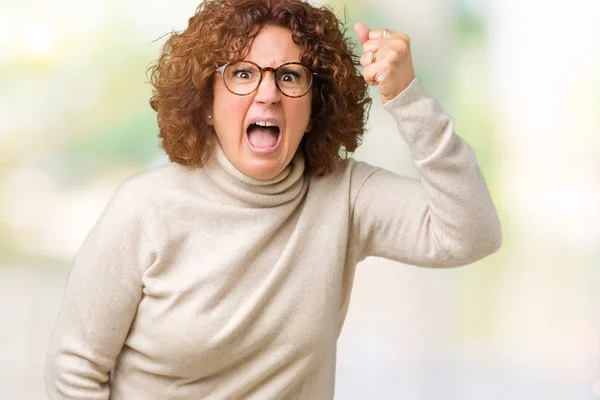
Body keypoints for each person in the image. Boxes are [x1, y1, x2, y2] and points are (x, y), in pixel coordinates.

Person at [44, 0, 502, 398]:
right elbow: (74, 370)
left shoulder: (345, 197)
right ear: (206, 101)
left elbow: (472, 233)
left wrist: (407, 97)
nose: (268, 94)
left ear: (314, 104)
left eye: (289, 75)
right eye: (242, 73)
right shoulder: (145, 209)